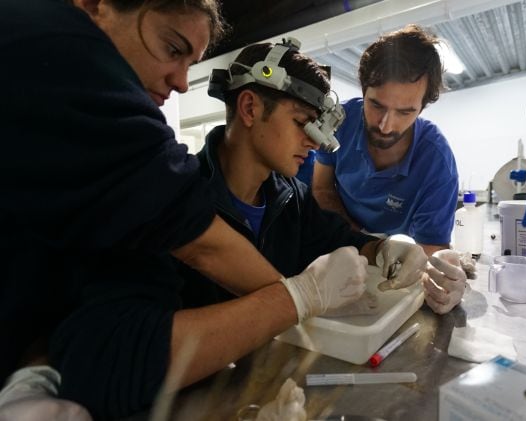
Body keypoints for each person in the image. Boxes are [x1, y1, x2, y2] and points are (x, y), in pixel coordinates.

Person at [0, 0, 369, 419]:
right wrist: (297, 299)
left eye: (190, 61)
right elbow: (112, 353)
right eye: (172, 48)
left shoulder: (291, 199)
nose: (179, 83)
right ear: (249, 108)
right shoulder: (153, 194)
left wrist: (393, 247)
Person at [185, 39, 431, 310]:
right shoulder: (180, 197)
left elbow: (341, 239)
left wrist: (386, 250)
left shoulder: (292, 198)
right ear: (249, 108)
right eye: (302, 123)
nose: (314, 144)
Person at [312, 24, 466, 314]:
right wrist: (361, 242)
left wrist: (443, 280)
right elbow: (321, 188)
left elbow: (431, 248)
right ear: (363, 90)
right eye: (376, 105)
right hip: (342, 241)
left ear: (422, 107)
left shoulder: (437, 162)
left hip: (397, 260)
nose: (385, 125)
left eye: (405, 112)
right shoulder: (340, 123)